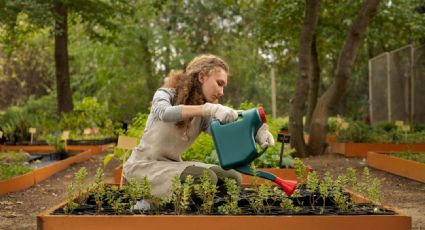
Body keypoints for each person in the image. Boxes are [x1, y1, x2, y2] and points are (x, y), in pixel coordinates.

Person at [123, 54, 274, 200]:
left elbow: (226, 132)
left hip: (171, 166)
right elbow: (164, 113)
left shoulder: (203, 115)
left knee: (232, 178)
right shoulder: (165, 95)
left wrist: (255, 131)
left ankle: (198, 214)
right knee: (206, 178)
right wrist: (207, 109)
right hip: (143, 167)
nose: (221, 92)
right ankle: (149, 205)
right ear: (202, 77)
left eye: (224, 86)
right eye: (219, 83)